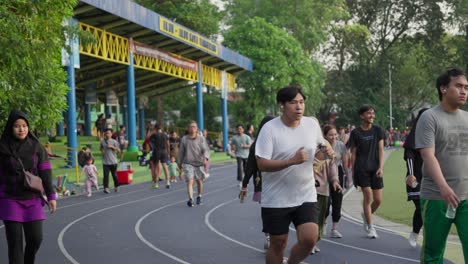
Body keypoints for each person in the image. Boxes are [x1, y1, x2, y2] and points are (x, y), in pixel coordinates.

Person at [255, 85, 331, 264]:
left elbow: (320, 149)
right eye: (293, 102)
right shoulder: (270, 129)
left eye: (302, 102)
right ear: (282, 105)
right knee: (278, 244)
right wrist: (292, 161)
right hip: (276, 198)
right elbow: (262, 164)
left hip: (305, 194)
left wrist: (326, 150)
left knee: (309, 239)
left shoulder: (311, 124)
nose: (299, 107)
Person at [415, 68, 468, 263]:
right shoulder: (430, 117)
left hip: (466, 197)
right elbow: (428, 155)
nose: (464, 91)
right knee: (433, 253)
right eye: (459, 86)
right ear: (444, 88)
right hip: (437, 197)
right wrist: (444, 187)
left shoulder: (467, 118)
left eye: (466, 87)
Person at [0, 110, 57, 264]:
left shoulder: (37, 146)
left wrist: (51, 196)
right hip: (10, 199)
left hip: (32, 199)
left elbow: (45, 172)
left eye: (24, 126)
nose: (21, 129)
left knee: (36, 239)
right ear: (10, 128)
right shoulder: (2, 147)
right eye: (17, 126)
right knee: (15, 244)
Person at [347, 104, 385, 239]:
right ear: (362, 116)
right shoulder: (355, 133)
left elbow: (381, 150)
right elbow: (353, 153)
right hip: (361, 169)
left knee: (378, 200)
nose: (372, 116)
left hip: (375, 168)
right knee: (368, 196)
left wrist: (381, 167)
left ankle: (366, 214)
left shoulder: (378, 130)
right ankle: (370, 227)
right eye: (369, 113)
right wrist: (352, 172)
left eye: (373, 113)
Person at [239, 115, 275, 251]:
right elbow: (250, 166)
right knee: (268, 209)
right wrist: (244, 185)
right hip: (262, 182)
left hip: (279, 182)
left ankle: (273, 235)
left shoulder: (279, 142)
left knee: (277, 210)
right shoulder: (256, 145)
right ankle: (268, 236)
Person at [403, 108, 428, 248]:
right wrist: (411, 174)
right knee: (421, 207)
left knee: (431, 209)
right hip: (416, 178)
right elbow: (409, 157)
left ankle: (427, 234)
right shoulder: (414, 136)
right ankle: (415, 232)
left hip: (432, 178)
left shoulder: (434, 133)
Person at [313, 140, 342, 254]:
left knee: (320, 218)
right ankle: (308, 242)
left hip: (324, 190)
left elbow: (333, 166)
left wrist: (335, 180)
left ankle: (314, 242)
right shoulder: (310, 148)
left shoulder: (328, 151)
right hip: (310, 191)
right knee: (311, 218)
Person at [323, 124, 350, 239]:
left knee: (337, 200)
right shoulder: (322, 146)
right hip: (324, 173)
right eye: (330, 135)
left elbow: (345, 163)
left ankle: (334, 228)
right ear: (325, 136)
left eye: (335, 134)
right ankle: (322, 223)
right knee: (325, 201)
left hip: (338, 172)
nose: (333, 137)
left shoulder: (341, 145)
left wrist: (348, 178)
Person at [178, 121, 210, 207]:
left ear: (197, 129)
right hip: (188, 163)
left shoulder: (201, 138)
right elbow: (181, 152)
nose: (192, 129)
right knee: (190, 180)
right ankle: (190, 199)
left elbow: (206, 150)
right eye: (190, 127)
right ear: (188, 129)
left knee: (199, 181)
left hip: (199, 163)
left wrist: (205, 158)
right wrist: (179, 163)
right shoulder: (184, 139)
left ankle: (199, 196)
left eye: (194, 127)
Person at [149, 124, 171, 189]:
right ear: (161, 128)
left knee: (155, 167)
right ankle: (167, 181)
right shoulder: (165, 135)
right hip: (164, 151)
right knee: (165, 166)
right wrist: (168, 153)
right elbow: (168, 144)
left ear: (155, 129)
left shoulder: (154, 135)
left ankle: (156, 183)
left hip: (156, 151)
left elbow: (150, 143)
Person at [230, 124, 252, 188]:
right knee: (239, 167)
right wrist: (232, 148)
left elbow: (250, 145)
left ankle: (245, 181)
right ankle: (240, 181)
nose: (239, 130)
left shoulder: (247, 137)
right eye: (238, 129)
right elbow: (232, 144)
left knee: (245, 168)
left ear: (243, 129)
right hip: (238, 154)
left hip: (246, 155)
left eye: (240, 129)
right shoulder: (234, 138)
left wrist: (245, 146)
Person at [100, 128, 120, 193]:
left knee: (114, 175)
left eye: (108, 133)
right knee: (105, 176)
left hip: (113, 162)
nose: (107, 134)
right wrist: (102, 151)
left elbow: (119, 150)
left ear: (111, 134)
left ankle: (116, 186)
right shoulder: (102, 141)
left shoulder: (114, 142)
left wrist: (112, 147)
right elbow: (101, 148)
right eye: (106, 133)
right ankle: (106, 188)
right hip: (105, 162)